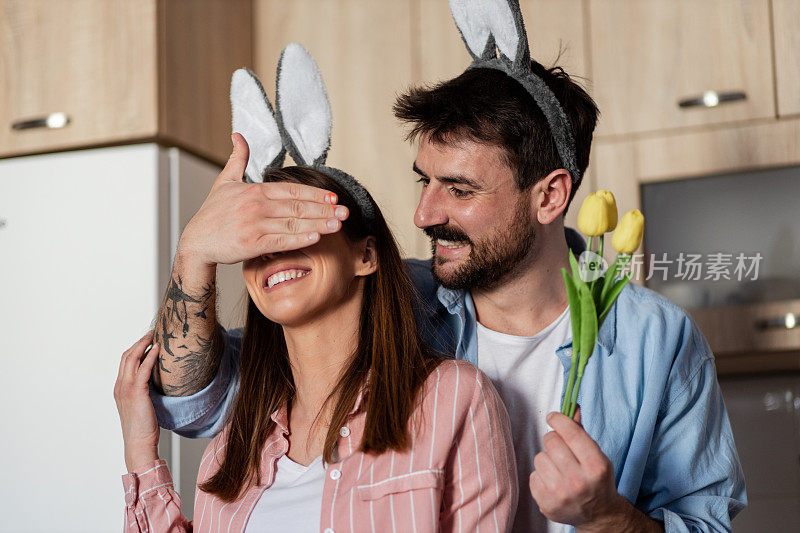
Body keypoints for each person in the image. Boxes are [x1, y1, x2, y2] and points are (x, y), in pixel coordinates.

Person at [143, 8, 746, 533]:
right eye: (423, 181)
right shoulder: (392, 300)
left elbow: (707, 522)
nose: (424, 214)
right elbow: (200, 401)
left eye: (458, 189)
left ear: (549, 196)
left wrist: (606, 517)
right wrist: (193, 251)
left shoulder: (655, 342)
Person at [115, 166, 518, 532]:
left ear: (365, 255)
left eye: (298, 227)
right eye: (258, 240)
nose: (272, 250)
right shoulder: (231, 449)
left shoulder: (453, 398)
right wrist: (140, 453)